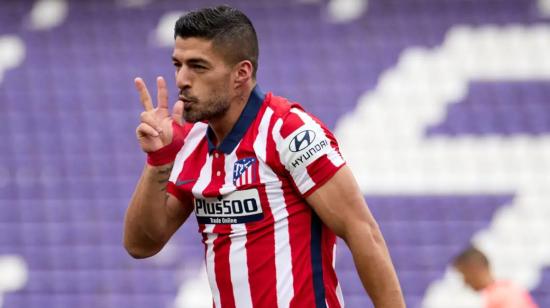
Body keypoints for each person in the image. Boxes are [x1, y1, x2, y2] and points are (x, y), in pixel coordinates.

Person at [123, 5, 404, 307]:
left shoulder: (288, 131)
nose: (182, 79)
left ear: (241, 73)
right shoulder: (190, 142)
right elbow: (141, 244)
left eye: (198, 66)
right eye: (178, 64)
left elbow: (362, 231)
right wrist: (158, 161)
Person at [453, 246, 538, 308]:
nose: (465, 282)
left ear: (474, 269)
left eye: (464, 274)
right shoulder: (506, 289)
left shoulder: (502, 295)